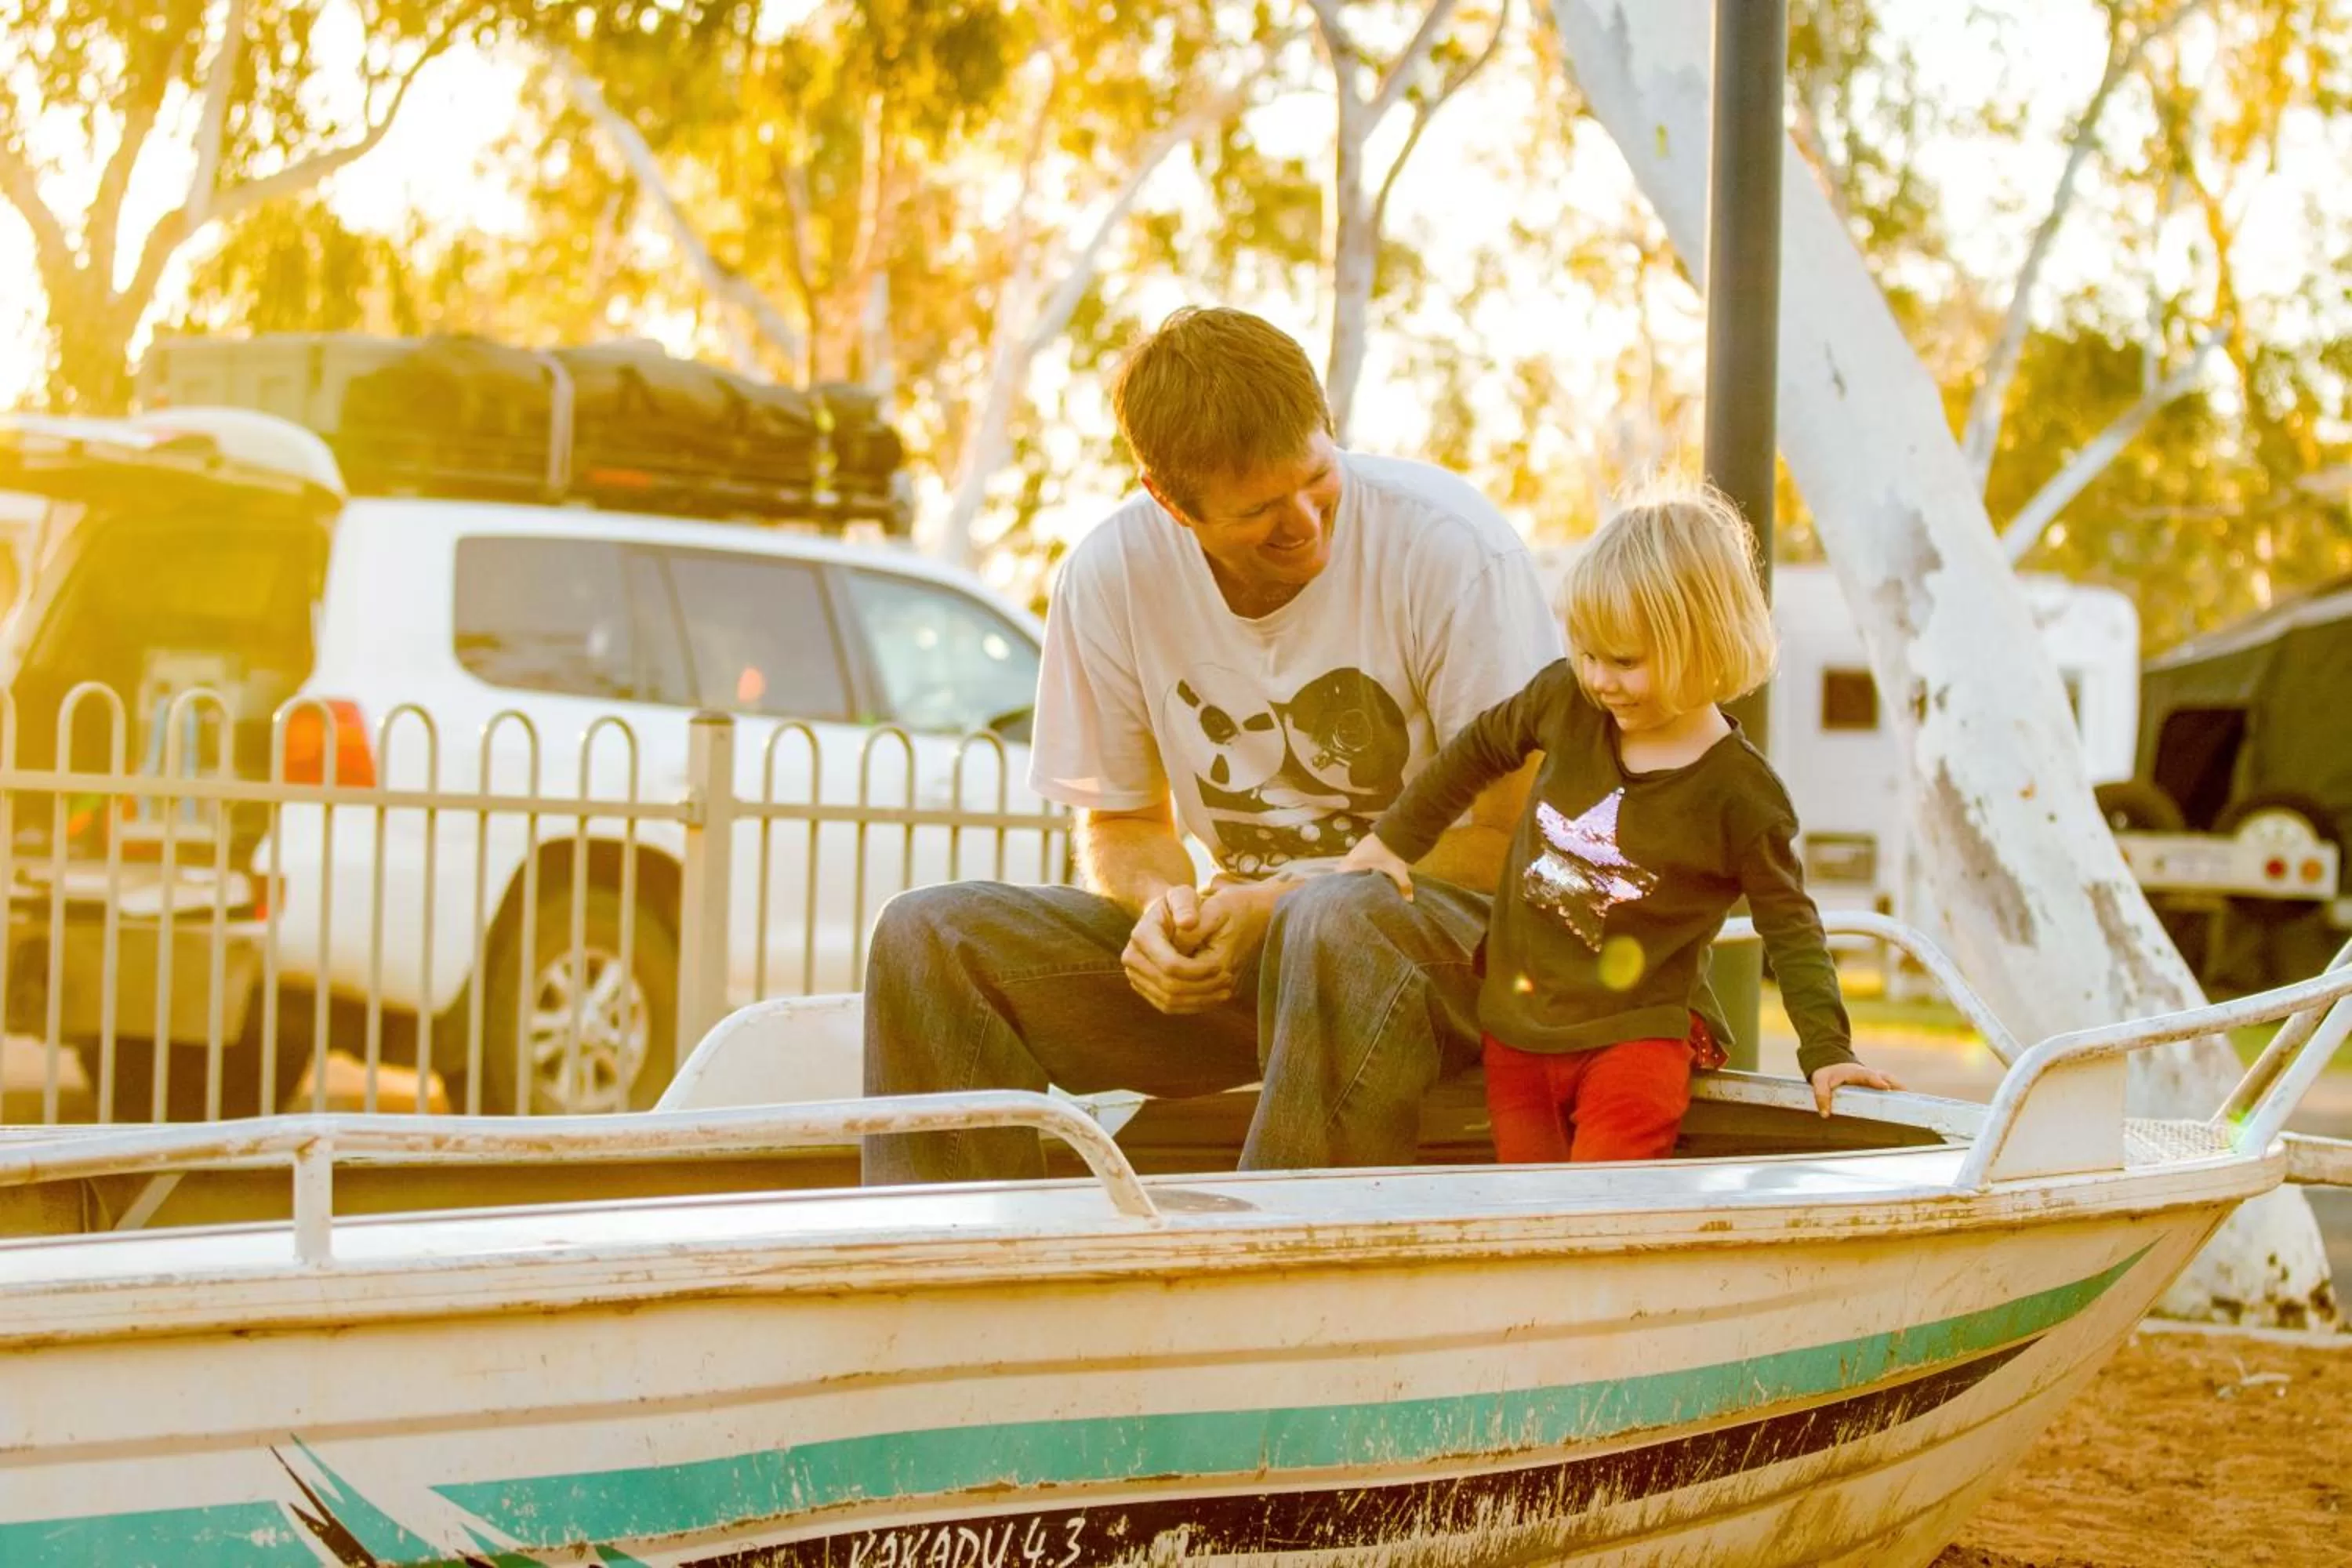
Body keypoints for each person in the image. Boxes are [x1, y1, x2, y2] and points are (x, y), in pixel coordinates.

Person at [861, 307, 1563, 1184]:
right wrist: (1165, 911)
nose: (1303, 520)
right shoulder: (1109, 576)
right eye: (1261, 509)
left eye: (1316, 477)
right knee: (932, 934)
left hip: (1462, 957)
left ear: (1330, 428)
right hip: (1267, 955)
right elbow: (1121, 823)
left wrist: (1279, 902)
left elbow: (1512, 838)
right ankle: (954, 1290)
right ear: (1169, 500)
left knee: (1336, 920)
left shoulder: (1448, 546)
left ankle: (1265, 1286)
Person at [1340, 487, 1901, 1163]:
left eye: (1625, 661)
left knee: (1602, 1207)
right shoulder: (1565, 700)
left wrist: (1827, 1051)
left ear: (1703, 644)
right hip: (1518, 1028)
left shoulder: (1742, 795)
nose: (1599, 679)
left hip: (1638, 1038)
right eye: (1588, 653)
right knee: (1530, 1214)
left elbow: (1791, 928)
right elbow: (1479, 748)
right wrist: (1391, 841)